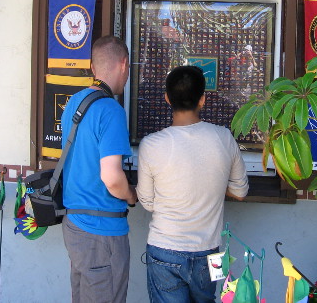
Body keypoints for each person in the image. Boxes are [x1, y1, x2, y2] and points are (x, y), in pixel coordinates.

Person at [137, 65, 249, 303]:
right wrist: (215, 185)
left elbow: (147, 202)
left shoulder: (151, 144)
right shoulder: (224, 137)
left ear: (167, 98)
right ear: (203, 100)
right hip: (210, 252)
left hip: (163, 248)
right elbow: (240, 192)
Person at [61, 35, 137, 303]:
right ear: (124, 64)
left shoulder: (75, 102)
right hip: (101, 231)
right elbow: (111, 177)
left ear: (94, 68)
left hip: (74, 225)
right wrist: (130, 195)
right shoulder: (111, 110)